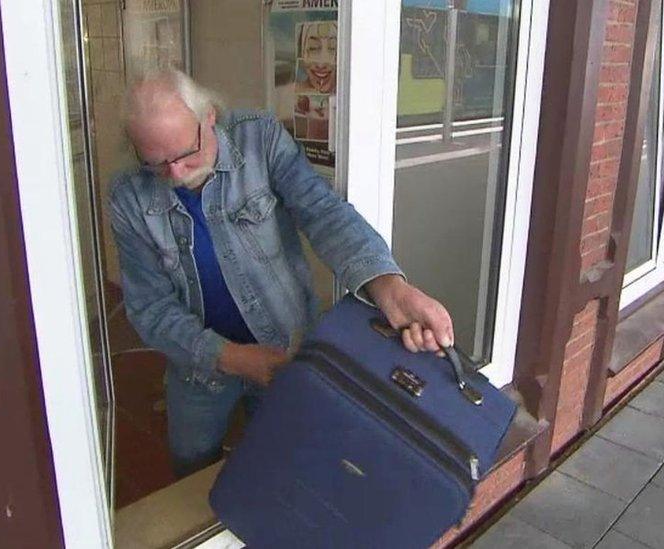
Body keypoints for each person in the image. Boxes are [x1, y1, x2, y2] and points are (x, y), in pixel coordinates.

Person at [109, 70, 453, 477]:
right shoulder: (128, 196)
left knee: (285, 456)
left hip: (286, 344)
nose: (177, 173)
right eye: (157, 163)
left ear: (210, 116)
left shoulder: (260, 139)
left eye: (187, 153)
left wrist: (388, 286)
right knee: (191, 461)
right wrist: (231, 358)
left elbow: (324, 213)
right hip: (198, 362)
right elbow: (151, 308)